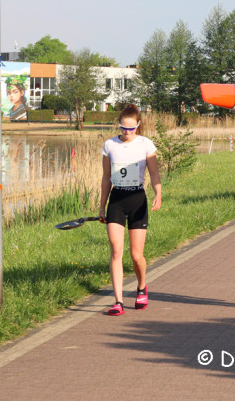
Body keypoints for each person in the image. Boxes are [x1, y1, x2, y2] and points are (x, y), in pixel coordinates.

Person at [99, 104, 162, 315]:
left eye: (131, 128)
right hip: (117, 200)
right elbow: (106, 179)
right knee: (116, 251)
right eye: (123, 128)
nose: (127, 132)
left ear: (138, 125)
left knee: (136, 255)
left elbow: (154, 173)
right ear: (118, 125)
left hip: (137, 199)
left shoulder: (146, 144)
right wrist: (101, 206)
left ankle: (142, 286)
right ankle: (118, 301)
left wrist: (158, 193)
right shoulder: (109, 145)